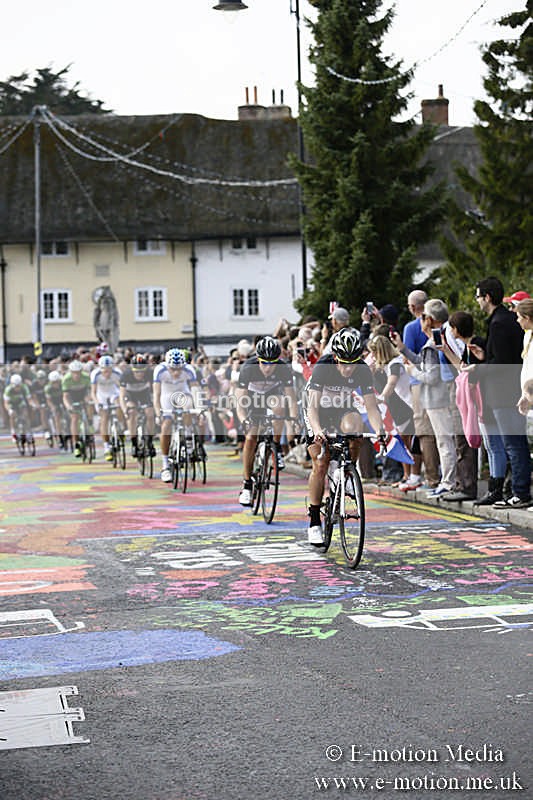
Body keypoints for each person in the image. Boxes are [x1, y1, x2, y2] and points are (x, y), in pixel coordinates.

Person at [305, 328, 385, 545]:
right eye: (343, 363)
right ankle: (313, 520)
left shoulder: (362, 369)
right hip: (318, 410)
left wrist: (379, 429)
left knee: (355, 426)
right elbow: (312, 408)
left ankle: (347, 470)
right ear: (335, 357)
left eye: (352, 363)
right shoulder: (323, 366)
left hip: (341, 408)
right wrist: (318, 430)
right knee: (320, 462)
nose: (348, 369)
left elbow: (371, 407)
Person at [474, 277, 531, 509]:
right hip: (513, 392)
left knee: (513, 445)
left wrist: (479, 368)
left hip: (504, 394)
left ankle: (520, 491)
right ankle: (516, 489)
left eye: (478, 296)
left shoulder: (498, 323)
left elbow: (502, 362)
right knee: (515, 445)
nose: (477, 301)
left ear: (487, 297)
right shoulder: (505, 320)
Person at [392, 299, 457, 498]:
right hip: (441, 397)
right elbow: (424, 362)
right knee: (444, 441)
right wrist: (403, 349)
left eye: (422, 317)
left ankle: (448, 482)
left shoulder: (436, 340)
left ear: (429, 319)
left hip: (439, 398)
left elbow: (431, 375)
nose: (419, 320)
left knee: (445, 442)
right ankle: (448, 480)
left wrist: (412, 371)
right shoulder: (438, 337)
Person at [235, 336, 297, 506]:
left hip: (272, 394)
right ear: (258, 360)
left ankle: (275, 447)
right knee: (250, 438)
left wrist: (293, 420)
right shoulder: (248, 368)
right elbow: (240, 403)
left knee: (280, 407)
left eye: (273, 363)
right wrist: (243, 420)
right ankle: (247, 485)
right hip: (252, 399)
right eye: (264, 363)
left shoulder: (284, 368)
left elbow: (291, 398)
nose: (268, 367)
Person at [153, 348, 199, 483]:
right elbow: (156, 394)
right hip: (166, 395)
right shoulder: (160, 370)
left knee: (188, 407)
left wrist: (200, 409)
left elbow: (195, 390)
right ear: (167, 365)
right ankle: (165, 465)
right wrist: (158, 413)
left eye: (179, 369)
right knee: (166, 425)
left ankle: (189, 436)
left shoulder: (189, 370)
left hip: (183, 393)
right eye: (173, 369)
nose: (176, 372)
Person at [119, 354, 155, 457]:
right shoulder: (126, 374)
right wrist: (125, 410)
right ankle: (134, 443)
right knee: (132, 413)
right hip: (130, 394)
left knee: (150, 414)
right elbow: (122, 395)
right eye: (136, 371)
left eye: (142, 371)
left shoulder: (150, 373)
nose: (139, 374)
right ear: (132, 369)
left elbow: (155, 391)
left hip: (144, 393)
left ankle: (150, 441)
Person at [91, 355, 123, 461]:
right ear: (101, 369)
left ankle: (120, 427)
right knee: (104, 418)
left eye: (109, 371)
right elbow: (93, 392)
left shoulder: (117, 373)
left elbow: (121, 388)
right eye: (105, 371)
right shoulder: (95, 374)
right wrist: (97, 403)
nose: (107, 374)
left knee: (119, 405)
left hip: (113, 392)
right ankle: (106, 446)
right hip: (101, 395)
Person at [61, 360, 92, 457]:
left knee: (89, 405)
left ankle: (89, 423)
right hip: (72, 397)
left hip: (82, 395)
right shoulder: (66, 379)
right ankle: (76, 444)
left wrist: (88, 399)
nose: (76, 375)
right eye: (74, 373)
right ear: (70, 372)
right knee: (74, 418)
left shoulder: (86, 377)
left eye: (78, 372)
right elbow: (65, 396)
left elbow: (89, 391)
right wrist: (69, 406)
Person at [3, 374, 37, 438]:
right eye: (16, 386)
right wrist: (10, 410)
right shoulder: (8, 390)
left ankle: (28, 430)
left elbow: (29, 399)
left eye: (19, 386)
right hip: (11, 403)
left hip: (20, 402)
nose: (17, 388)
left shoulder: (24, 387)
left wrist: (33, 404)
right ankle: (13, 432)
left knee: (25, 414)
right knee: (12, 415)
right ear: (12, 384)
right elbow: (6, 403)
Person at [515, 298, 533, 416]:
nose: (517, 320)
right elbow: (526, 367)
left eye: (519, 317)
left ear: (527, 317)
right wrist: (525, 395)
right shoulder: (527, 336)